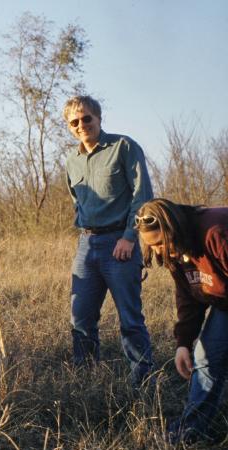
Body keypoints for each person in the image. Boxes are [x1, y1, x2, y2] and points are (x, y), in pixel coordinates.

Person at [63, 95, 154, 386]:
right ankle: (86, 382)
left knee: (129, 318)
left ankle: (143, 384)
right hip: (87, 245)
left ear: (99, 118)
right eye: (74, 122)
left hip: (120, 244)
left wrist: (130, 236)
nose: (81, 125)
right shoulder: (71, 160)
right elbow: (77, 200)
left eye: (86, 118)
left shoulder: (123, 147)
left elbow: (142, 196)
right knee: (81, 320)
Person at [136, 199, 228, 443]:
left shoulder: (216, 233)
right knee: (204, 358)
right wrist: (183, 343)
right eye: (150, 246)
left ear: (171, 229)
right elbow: (189, 297)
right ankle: (189, 434)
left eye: (158, 243)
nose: (156, 252)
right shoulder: (175, 252)